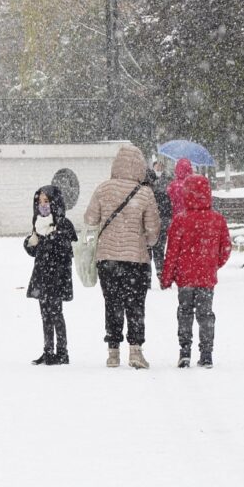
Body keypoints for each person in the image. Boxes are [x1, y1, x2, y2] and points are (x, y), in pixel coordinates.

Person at [84, 144, 161, 369]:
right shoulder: (145, 193)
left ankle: (113, 352)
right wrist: (143, 242)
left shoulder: (102, 189)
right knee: (135, 305)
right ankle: (135, 350)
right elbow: (153, 231)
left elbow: (90, 219)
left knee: (112, 303)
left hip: (107, 259)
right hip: (136, 260)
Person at [160, 174, 232, 368]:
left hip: (185, 277)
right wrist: (213, 264)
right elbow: (225, 248)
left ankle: (185, 351)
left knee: (184, 312)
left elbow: (172, 252)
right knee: (205, 314)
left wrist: (167, 277)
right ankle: (206, 353)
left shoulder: (180, 220)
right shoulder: (217, 220)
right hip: (206, 277)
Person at [24, 185, 77, 365]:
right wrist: (30, 243)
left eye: (46, 201)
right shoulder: (37, 222)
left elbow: (68, 250)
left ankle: (62, 352)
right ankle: (48, 350)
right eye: (39, 202)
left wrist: (51, 240)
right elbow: (35, 251)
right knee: (45, 314)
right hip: (42, 274)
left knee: (56, 313)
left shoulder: (63, 223)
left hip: (57, 275)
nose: (43, 205)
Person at [150, 164, 173, 277]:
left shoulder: (167, 181)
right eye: (156, 167)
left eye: (160, 167)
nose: (158, 169)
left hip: (162, 218)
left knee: (159, 246)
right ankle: (157, 271)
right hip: (154, 218)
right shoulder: (149, 181)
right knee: (155, 247)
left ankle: (159, 270)